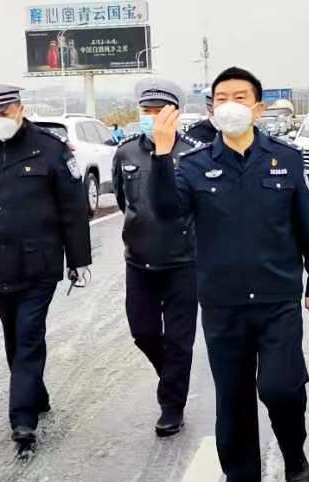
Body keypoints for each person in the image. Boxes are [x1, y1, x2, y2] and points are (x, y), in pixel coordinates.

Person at [150, 67, 309, 482]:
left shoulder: (286, 159)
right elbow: (167, 212)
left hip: (277, 299)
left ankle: (293, 451)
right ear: (211, 109)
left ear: (258, 107)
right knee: (232, 401)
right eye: (221, 97)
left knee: (281, 388)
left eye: (240, 96)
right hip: (223, 302)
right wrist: (162, 154)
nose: (230, 103)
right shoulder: (191, 167)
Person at [0, 83, 92, 449]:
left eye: (4, 113)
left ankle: (22, 420)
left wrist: (78, 260)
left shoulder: (51, 149)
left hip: (40, 263)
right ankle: (37, 393)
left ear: (19, 109)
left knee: (29, 333)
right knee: (13, 334)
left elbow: (73, 208)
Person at [112, 77, 200, 436]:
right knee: (143, 332)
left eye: (158, 112)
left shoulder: (194, 154)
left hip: (184, 261)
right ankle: (172, 376)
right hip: (140, 259)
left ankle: (171, 405)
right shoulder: (126, 153)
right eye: (146, 112)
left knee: (180, 339)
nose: (151, 118)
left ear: (175, 115)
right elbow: (123, 200)